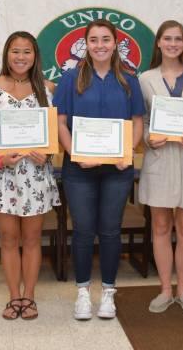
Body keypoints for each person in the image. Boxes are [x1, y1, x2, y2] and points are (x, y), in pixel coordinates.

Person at [53, 19, 144, 320]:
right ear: (86, 44)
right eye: (94, 40)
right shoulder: (70, 78)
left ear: (116, 43)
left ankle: (108, 293)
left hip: (117, 170)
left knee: (109, 231)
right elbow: (60, 123)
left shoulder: (130, 80)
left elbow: (138, 122)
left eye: (106, 39)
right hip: (79, 169)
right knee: (82, 231)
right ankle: (82, 293)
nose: (100, 45)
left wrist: (127, 153)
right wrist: (76, 155)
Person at [0, 31, 61, 320]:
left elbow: (56, 131)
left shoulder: (48, 89)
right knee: (9, 238)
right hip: (4, 174)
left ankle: (30, 297)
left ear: (35, 56)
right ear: (6, 54)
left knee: (33, 237)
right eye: (15, 51)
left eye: (27, 52)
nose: (21, 57)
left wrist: (48, 153)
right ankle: (14, 297)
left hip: (36, 174)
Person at [138, 20, 183, 313]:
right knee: (160, 226)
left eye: (178, 39)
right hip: (160, 159)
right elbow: (140, 119)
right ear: (158, 42)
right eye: (167, 38)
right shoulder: (145, 79)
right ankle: (165, 289)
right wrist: (147, 139)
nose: (172, 44)